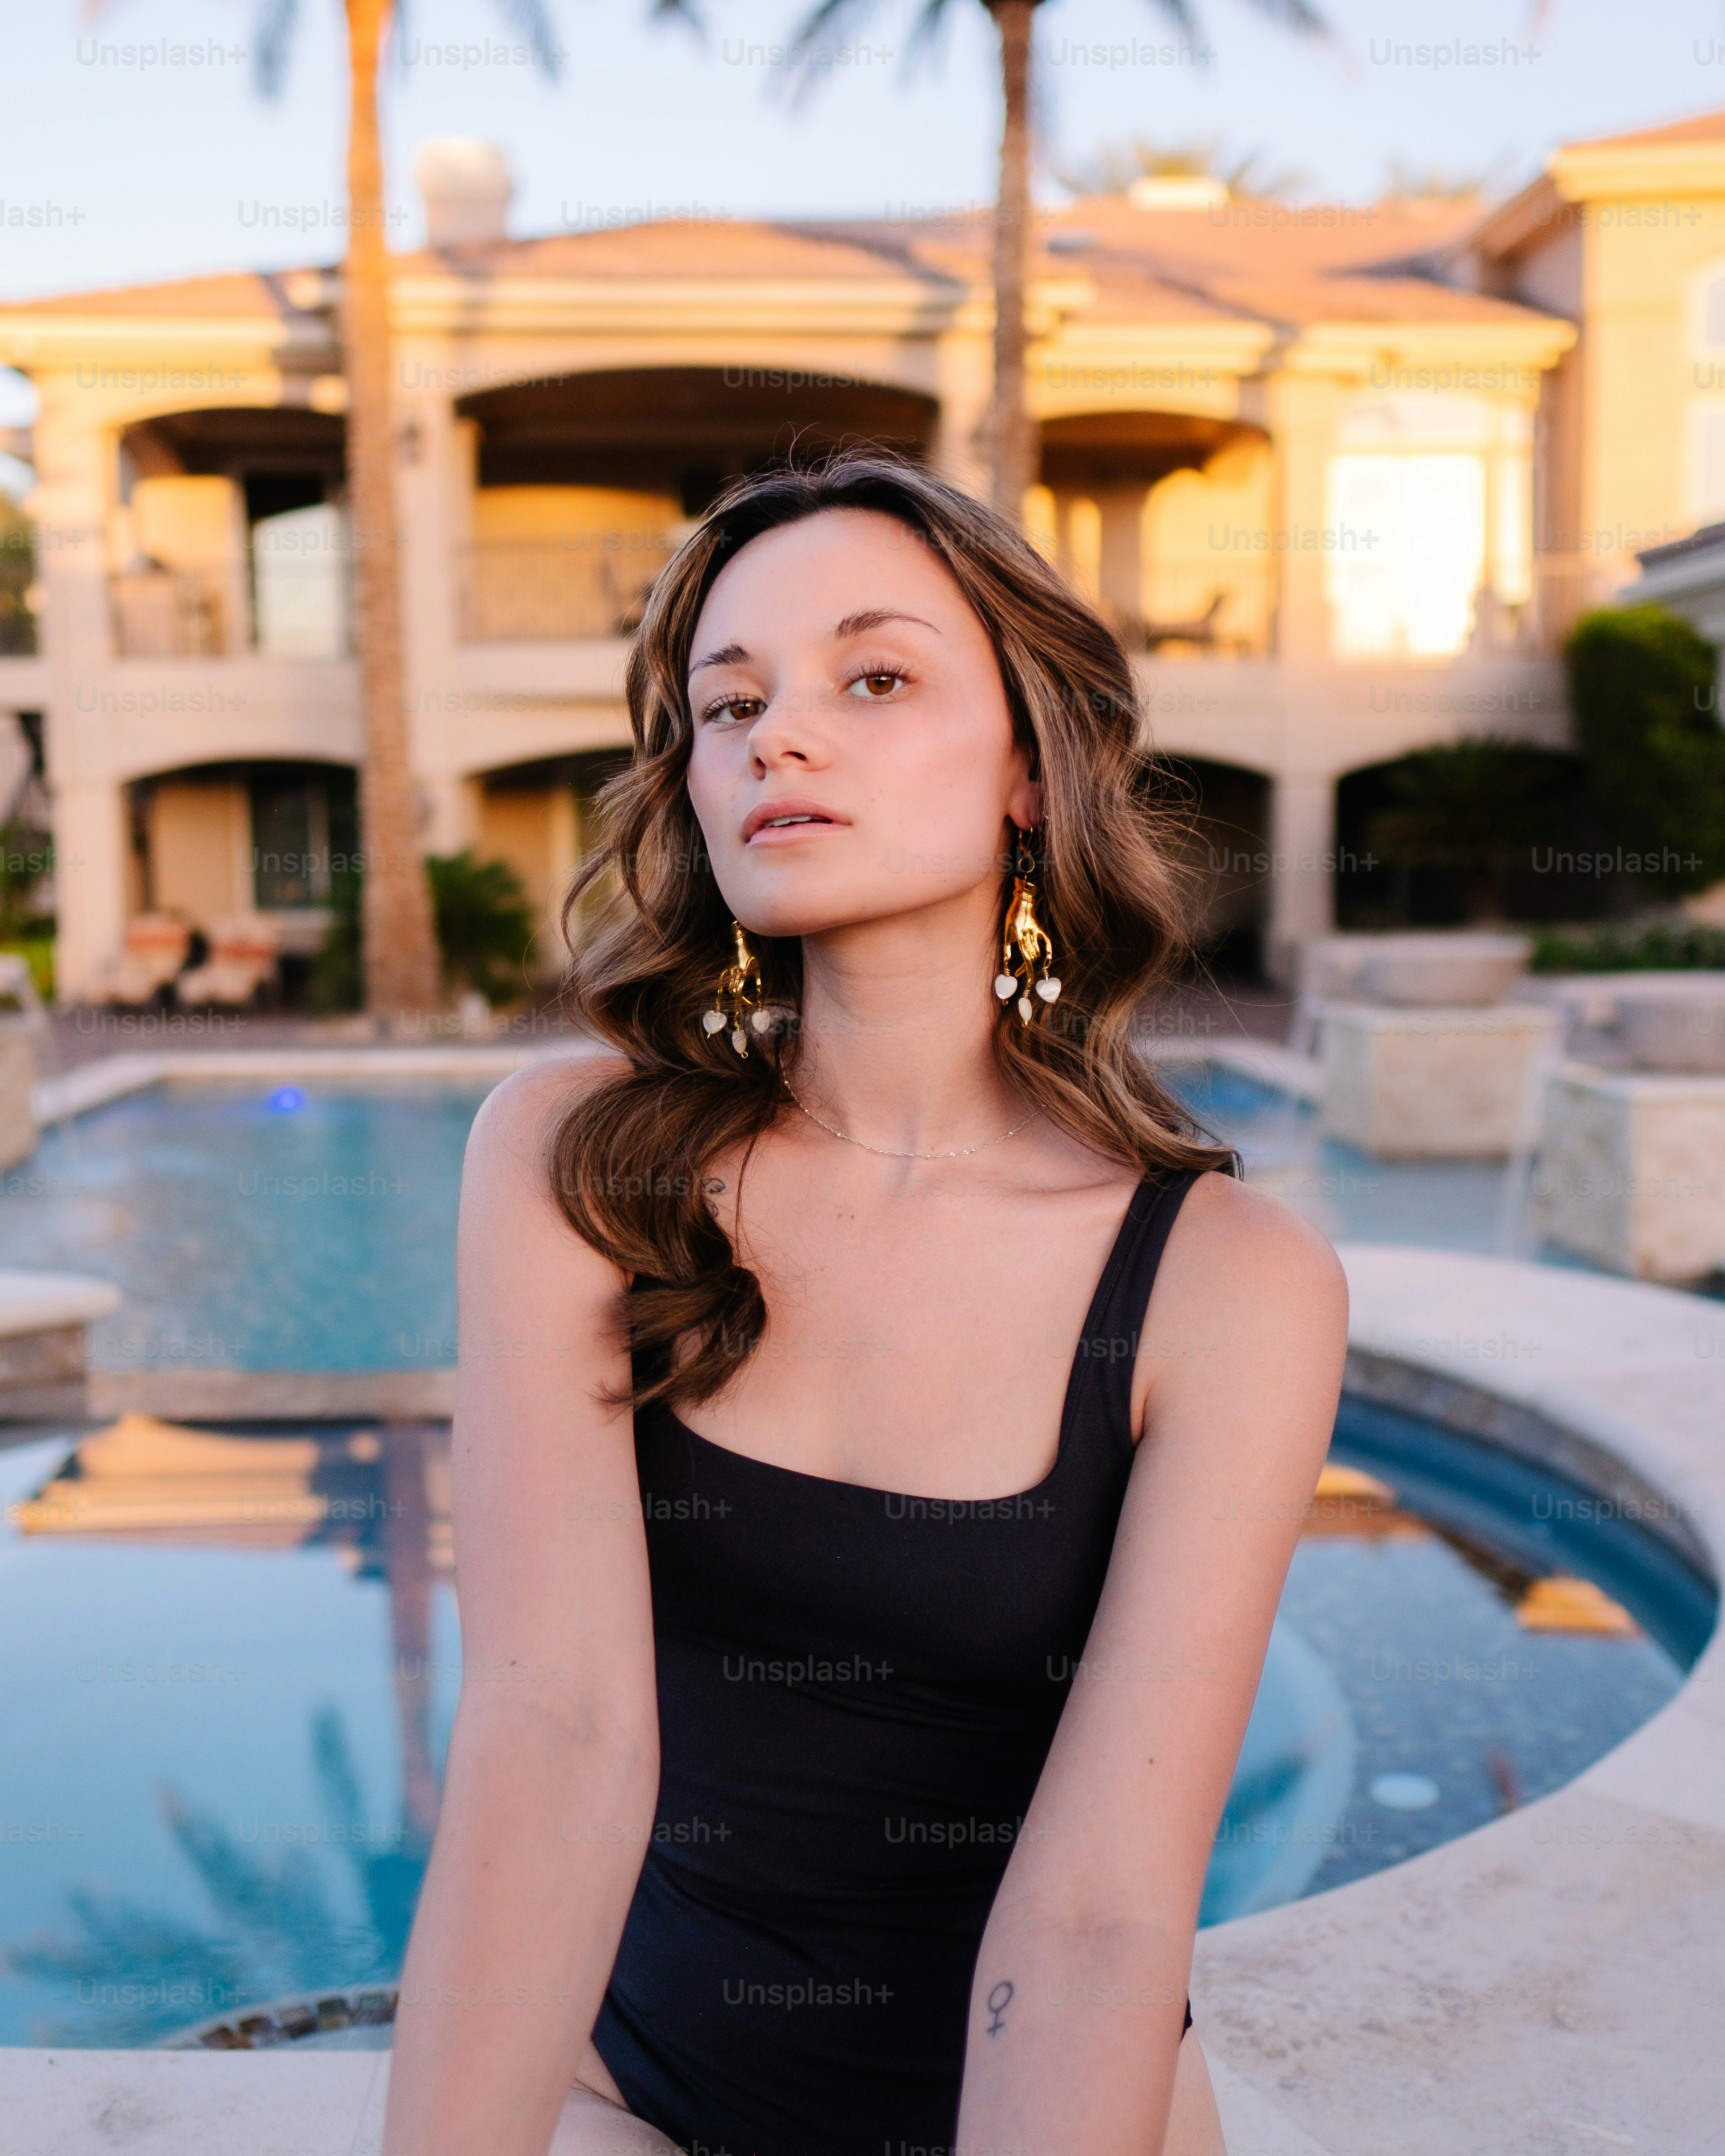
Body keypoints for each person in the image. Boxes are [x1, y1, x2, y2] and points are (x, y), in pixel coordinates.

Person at [383, 453, 1348, 2156]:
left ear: (1033, 773)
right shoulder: (580, 1160)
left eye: (875, 678)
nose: (778, 738)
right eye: (728, 702)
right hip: (638, 2089)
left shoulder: (1227, 1286)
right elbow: (557, 1730)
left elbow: (1102, 1920)